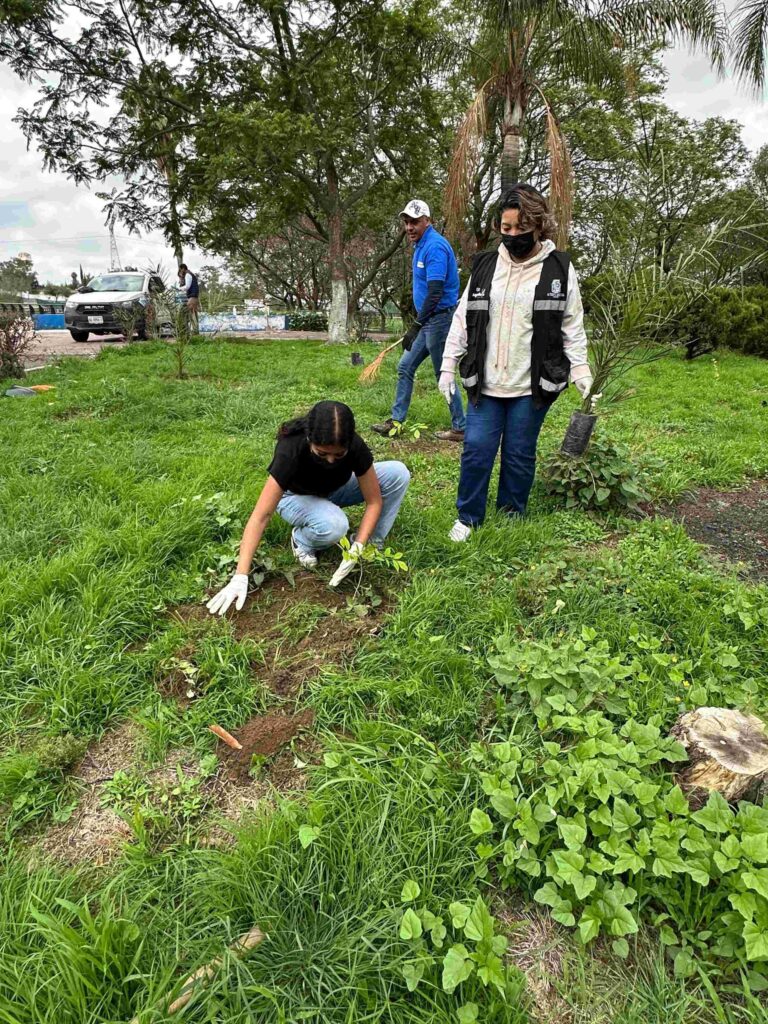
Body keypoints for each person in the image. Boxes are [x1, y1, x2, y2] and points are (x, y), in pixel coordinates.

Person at [438, 184, 594, 542]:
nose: (512, 235)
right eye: (505, 228)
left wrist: (581, 371)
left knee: (519, 454)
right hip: (486, 382)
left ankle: (511, 516)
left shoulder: (559, 268)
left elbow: (572, 325)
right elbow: (463, 318)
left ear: (538, 225)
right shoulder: (485, 266)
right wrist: (448, 365)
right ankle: (468, 517)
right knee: (477, 450)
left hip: (530, 384)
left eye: (520, 228)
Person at [207, 401, 411, 614]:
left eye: (338, 455)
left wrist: (359, 544)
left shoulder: (354, 446)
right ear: (309, 439)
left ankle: (370, 545)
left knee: (398, 473)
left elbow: (374, 501)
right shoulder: (291, 449)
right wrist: (240, 575)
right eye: (322, 454)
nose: (330, 461)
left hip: (335, 488)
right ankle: (302, 540)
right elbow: (261, 515)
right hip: (295, 497)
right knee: (335, 525)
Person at [371, 200, 466, 442]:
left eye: (414, 222)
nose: (409, 227)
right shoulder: (420, 245)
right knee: (405, 367)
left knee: (443, 374)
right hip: (429, 320)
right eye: (406, 222)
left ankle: (460, 427)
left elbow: (435, 292)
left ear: (427, 221)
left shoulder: (435, 247)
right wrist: (419, 324)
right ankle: (396, 422)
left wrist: (415, 326)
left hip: (440, 321)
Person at [178, 263, 200, 333]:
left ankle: (190, 330)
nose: (180, 272)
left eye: (180, 270)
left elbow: (187, 286)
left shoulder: (188, 275)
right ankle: (195, 331)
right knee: (193, 314)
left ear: (183, 268)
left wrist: (179, 288)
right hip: (194, 296)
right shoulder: (190, 274)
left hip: (192, 296)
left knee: (188, 313)